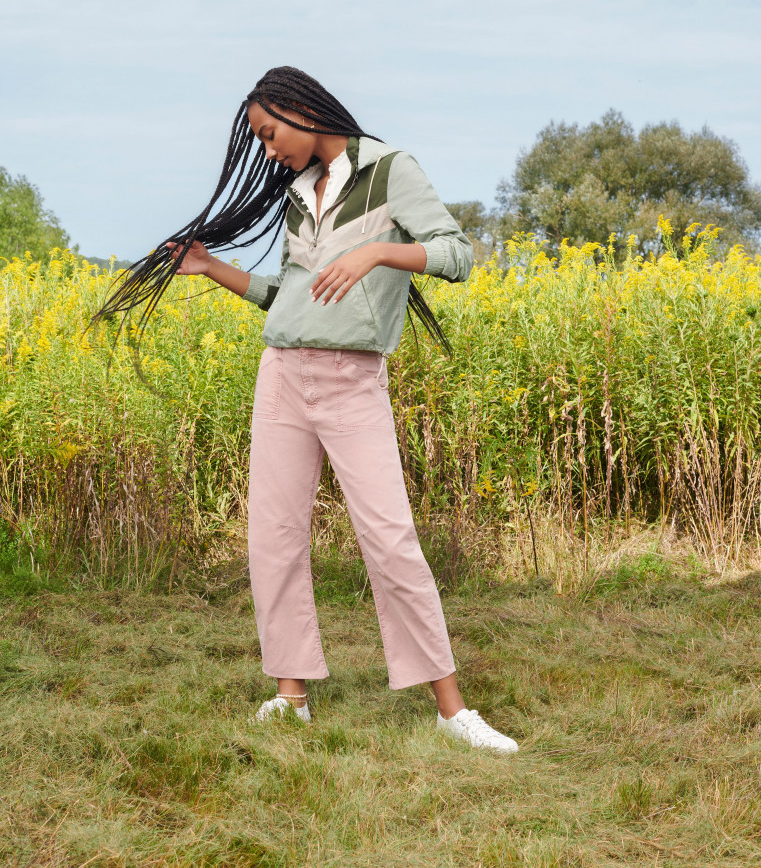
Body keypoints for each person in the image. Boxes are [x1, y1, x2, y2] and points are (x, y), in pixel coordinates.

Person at [98, 66, 519, 755]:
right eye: (259, 140)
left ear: (301, 110)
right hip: (283, 375)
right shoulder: (299, 192)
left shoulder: (388, 170)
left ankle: (451, 711)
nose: (267, 150)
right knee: (274, 535)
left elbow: (457, 254)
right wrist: (213, 269)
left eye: (270, 133)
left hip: (353, 380)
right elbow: (290, 296)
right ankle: (291, 694)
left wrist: (377, 252)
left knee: (388, 539)